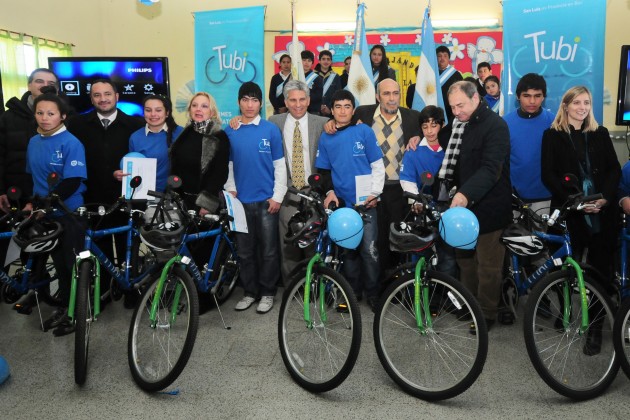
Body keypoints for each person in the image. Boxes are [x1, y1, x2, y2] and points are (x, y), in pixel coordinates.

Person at [439, 80, 511, 329]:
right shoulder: (460, 124)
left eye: (460, 105)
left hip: (489, 207)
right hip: (463, 207)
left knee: (488, 265)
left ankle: (486, 313)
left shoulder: (496, 126)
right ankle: (469, 305)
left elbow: (491, 169)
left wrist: (465, 195)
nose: (456, 112)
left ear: (476, 99)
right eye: (452, 107)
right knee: (465, 261)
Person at [66, 78, 144, 306]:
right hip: (92, 198)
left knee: (128, 245)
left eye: (107, 94)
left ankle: (129, 287)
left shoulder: (135, 125)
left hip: (126, 199)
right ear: (91, 99)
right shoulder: (77, 125)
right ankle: (105, 290)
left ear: (117, 96)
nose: (103, 99)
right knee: (98, 249)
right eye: (97, 95)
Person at [541, 86, 620, 288]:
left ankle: (599, 314)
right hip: (569, 211)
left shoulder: (600, 133)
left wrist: (605, 199)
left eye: (586, 102)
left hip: (601, 211)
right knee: (563, 268)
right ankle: (563, 314)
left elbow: (614, 170)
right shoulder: (551, 135)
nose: (582, 107)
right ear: (565, 106)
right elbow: (548, 175)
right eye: (576, 102)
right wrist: (577, 202)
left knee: (601, 267)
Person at [316, 89, 385, 310]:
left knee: (370, 250)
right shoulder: (326, 136)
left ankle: (374, 293)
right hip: (343, 205)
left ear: (353, 110)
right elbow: (323, 171)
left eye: (347, 106)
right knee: (348, 252)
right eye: (338, 106)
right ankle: (352, 293)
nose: (343, 110)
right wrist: (329, 192)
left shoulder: (364, 131)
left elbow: (377, 165)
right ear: (332, 110)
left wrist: (375, 193)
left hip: (366, 203)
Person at [25, 93, 87, 336]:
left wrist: (48, 205)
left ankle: (76, 314)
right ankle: (63, 308)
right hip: (45, 213)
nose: (45, 118)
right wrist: (34, 205)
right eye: (40, 113)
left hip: (68, 213)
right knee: (58, 266)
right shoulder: (33, 142)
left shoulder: (71, 143)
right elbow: (34, 178)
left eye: (51, 113)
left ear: (62, 115)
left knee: (71, 266)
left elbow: (72, 181)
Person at [225, 82, 286, 314]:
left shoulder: (270, 129)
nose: (250, 105)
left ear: (261, 104)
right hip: (240, 202)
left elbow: (280, 166)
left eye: (254, 100)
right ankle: (250, 292)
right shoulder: (231, 129)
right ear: (239, 102)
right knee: (245, 251)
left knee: (269, 250)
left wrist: (277, 196)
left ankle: (268, 292)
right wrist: (231, 190)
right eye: (245, 100)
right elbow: (228, 165)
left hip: (266, 201)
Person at [352, 79, 422, 283]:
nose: (392, 99)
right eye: (386, 94)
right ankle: (375, 286)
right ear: (377, 96)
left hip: (398, 188)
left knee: (398, 238)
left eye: (395, 93)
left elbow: (435, 126)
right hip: (371, 188)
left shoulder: (413, 118)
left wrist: (419, 136)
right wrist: (330, 125)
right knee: (373, 240)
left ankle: (397, 284)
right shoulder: (362, 114)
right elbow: (340, 124)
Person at [269, 80, 329, 283]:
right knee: (288, 243)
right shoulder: (273, 122)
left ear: (309, 100)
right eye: (292, 100)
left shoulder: (322, 123)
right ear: (285, 101)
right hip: (287, 192)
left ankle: (313, 285)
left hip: (312, 191)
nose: (297, 104)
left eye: (302, 99)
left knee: (313, 242)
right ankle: (292, 287)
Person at [0, 68, 58, 270]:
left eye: (50, 83)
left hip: (51, 195)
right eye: (39, 81)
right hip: (15, 193)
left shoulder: (67, 119)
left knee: (45, 252)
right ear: (29, 85)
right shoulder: (8, 118)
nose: (44, 86)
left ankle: (39, 295)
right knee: (8, 248)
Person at [399, 105, 457, 278]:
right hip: (422, 212)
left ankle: (446, 295)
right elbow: (407, 179)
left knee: (448, 257)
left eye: (434, 125)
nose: (430, 131)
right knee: (420, 256)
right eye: (425, 127)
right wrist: (416, 202)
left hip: (449, 211)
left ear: (442, 125)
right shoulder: (413, 151)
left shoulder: (451, 149)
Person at [170, 92, 229, 215]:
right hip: (182, 204)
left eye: (204, 106)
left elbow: (220, 174)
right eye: (194, 105)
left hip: (204, 207)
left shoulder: (219, 136)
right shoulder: (184, 134)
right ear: (190, 109)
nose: (198, 109)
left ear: (212, 112)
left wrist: (207, 204)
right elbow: (176, 168)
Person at [504, 73, 554, 216]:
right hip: (512, 197)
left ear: (543, 97)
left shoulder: (554, 123)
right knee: (513, 238)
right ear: (518, 96)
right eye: (526, 95)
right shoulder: (504, 123)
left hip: (544, 196)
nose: (532, 101)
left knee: (540, 238)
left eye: (537, 96)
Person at [114, 95, 183, 192]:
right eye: (148, 110)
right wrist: (122, 174)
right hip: (143, 193)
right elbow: (133, 168)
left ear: (167, 113)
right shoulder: (135, 137)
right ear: (143, 112)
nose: (153, 114)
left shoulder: (181, 133)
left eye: (158, 110)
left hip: (175, 193)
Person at [436, 45, 463, 124]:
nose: (442, 58)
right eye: (439, 56)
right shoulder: (431, 74)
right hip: (435, 110)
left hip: (451, 111)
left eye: (445, 56)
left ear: (449, 58)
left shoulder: (456, 75)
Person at [314, 50, 342, 117]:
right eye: (323, 59)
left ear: (331, 62)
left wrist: (330, 109)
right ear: (319, 61)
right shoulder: (312, 76)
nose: (326, 61)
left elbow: (338, 96)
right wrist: (318, 106)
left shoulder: (336, 76)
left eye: (328, 59)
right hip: (314, 111)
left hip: (330, 112)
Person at [301, 50, 324, 115]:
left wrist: (303, 99)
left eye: (309, 61)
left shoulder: (317, 78)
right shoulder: (294, 77)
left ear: (312, 63)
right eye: (304, 60)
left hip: (313, 111)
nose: (306, 63)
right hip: (296, 110)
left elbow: (318, 96)